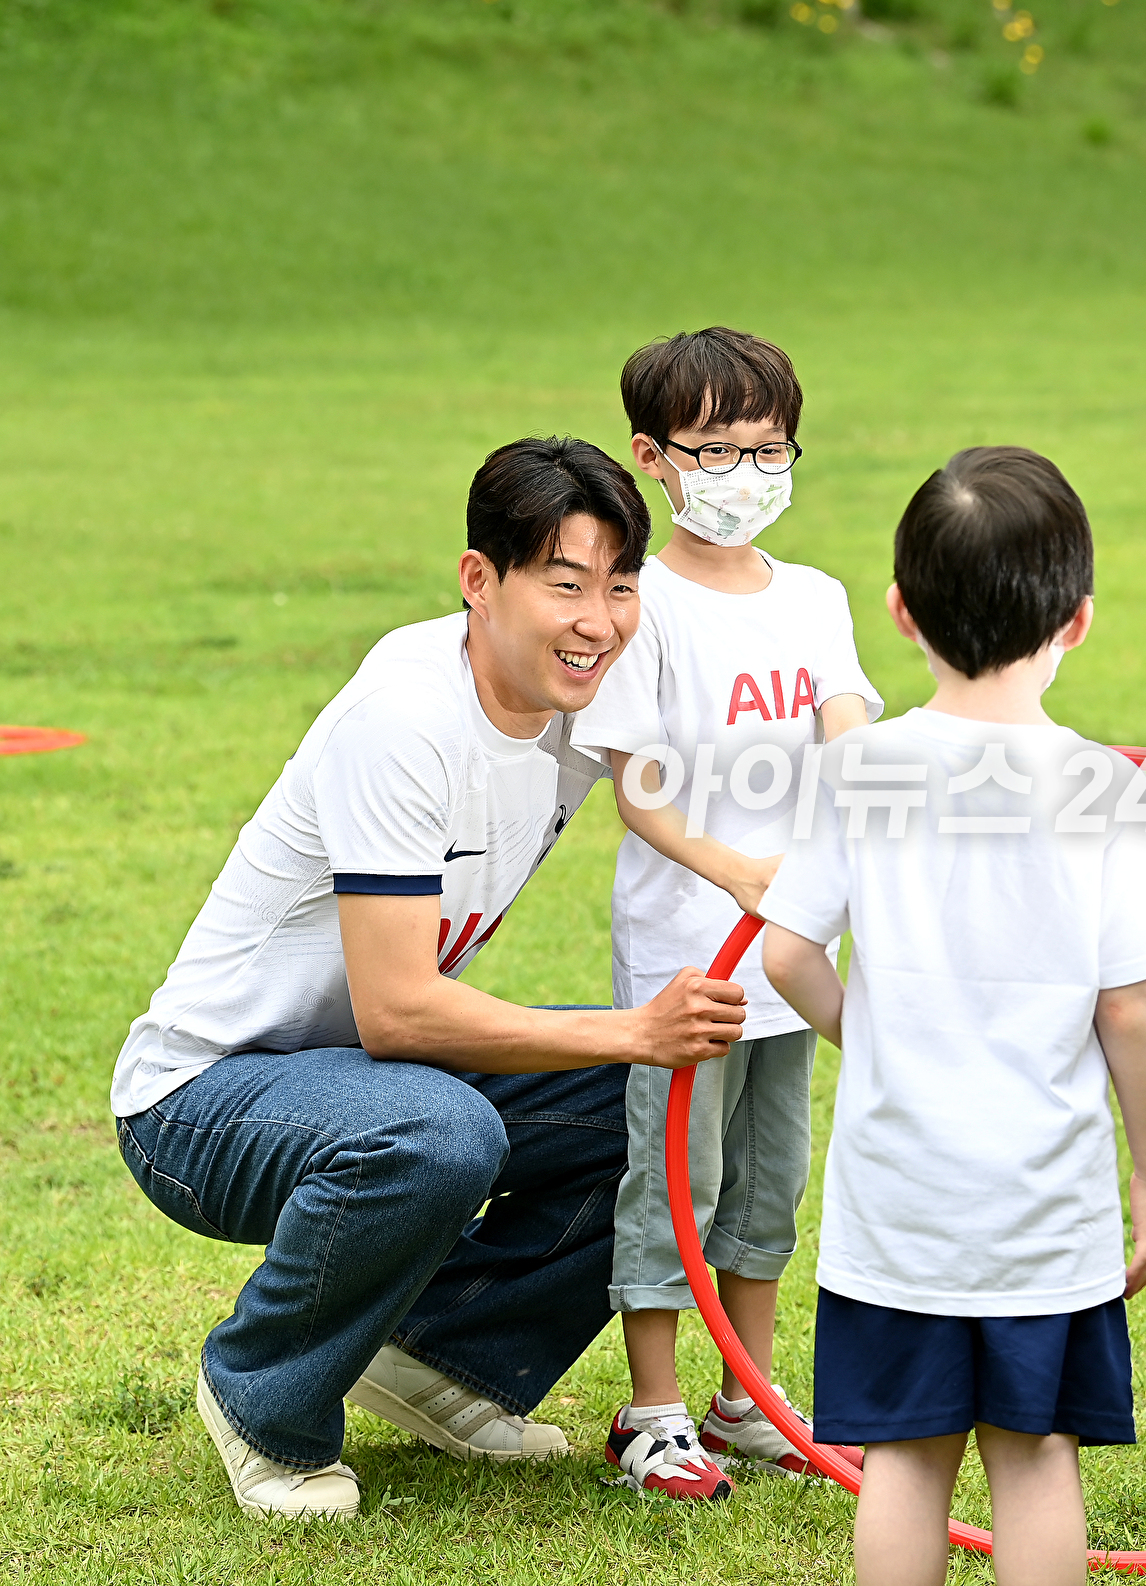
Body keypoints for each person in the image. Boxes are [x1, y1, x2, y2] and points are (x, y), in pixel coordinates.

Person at [111, 437, 750, 1520]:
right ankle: (263, 1396)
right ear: (478, 581)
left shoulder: (587, 686)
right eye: (563, 583)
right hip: (200, 1101)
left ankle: (443, 1361)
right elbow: (400, 1010)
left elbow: (751, 745)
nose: (597, 619)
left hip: (359, 1071)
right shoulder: (406, 719)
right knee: (441, 1129)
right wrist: (632, 1029)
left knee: (674, 1104)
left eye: (620, 584)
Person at [761, 446, 1146, 1586]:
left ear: (902, 611)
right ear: (1082, 619)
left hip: (896, 1206)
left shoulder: (862, 770)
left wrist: (873, 1030)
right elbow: (1133, 1008)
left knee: (902, 1456)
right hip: (1042, 1213)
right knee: (1038, 1454)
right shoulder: (1101, 785)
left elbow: (788, 950)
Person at [572, 328, 882, 1500]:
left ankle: (747, 1398)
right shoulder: (640, 604)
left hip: (792, 957)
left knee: (766, 1184)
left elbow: (848, 721)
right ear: (654, 456)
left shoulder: (811, 597)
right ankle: (650, 1412)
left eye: (769, 448)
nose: (748, 473)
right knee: (674, 1185)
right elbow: (636, 782)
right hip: (687, 961)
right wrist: (736, 870)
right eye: (718, 449)